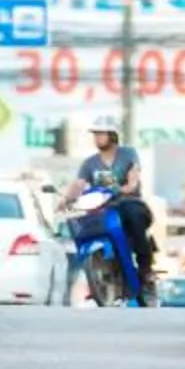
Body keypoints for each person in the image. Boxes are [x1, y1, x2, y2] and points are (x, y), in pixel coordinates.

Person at [64, 112, 155, 291]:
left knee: (134, 215)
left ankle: (145, 267)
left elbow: (133, 176)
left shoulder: (128, 154)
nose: (97, 138)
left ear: (112, 135)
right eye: (95, 134)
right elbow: (79, 184)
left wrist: (128, 186)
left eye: (101, 134)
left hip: (129, 202)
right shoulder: (89, 163)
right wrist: (66, 199)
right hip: (102, 207)